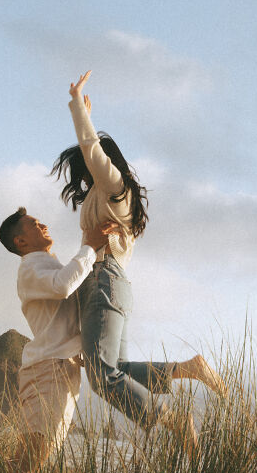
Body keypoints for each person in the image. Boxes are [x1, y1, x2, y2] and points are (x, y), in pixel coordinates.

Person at [51, 69, 226, 445]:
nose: (83, 175)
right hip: (105, 284)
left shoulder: (115, 187)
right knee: (117, 369)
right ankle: (187, 368)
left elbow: (91, 148)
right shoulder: (104, 196)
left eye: (88, 167)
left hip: (104, 281)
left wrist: (77, 107)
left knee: (101, 378)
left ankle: (172, 418)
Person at [0, 206, 116, 473]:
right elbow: (64, 286)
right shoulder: (30, 268)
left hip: (56, 370)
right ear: (21, 242)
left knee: (28, 464)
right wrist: (89, 245)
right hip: (49, 371)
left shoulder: (46, 264)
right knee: (29, 462)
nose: (43, 225)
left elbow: (66, 314)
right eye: (34, 224)